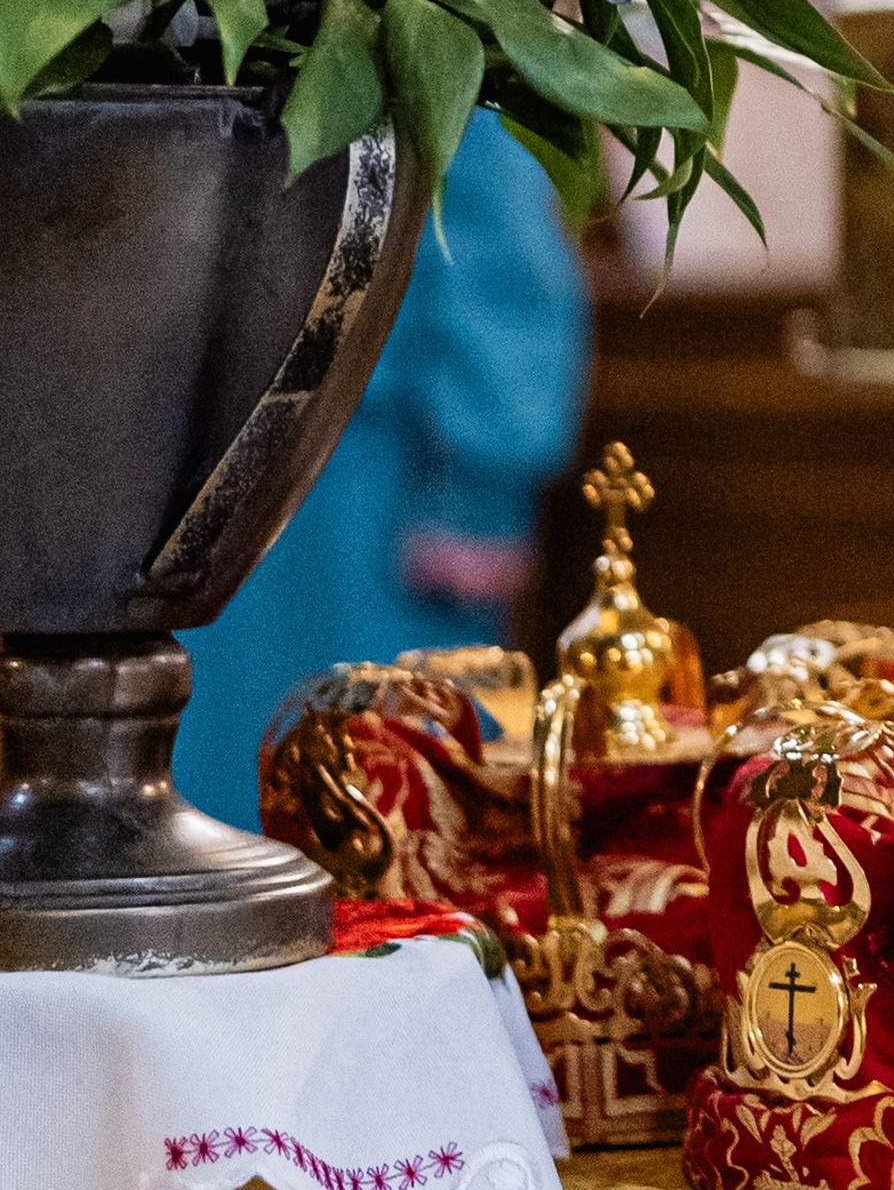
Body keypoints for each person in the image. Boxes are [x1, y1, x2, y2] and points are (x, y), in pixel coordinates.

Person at [174, 110, 593, 823]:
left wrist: (477, 491)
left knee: (385, 803)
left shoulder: (417, 16)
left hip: (370, 486)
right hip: (199, 465)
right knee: (215, 811)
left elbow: (497, 248)